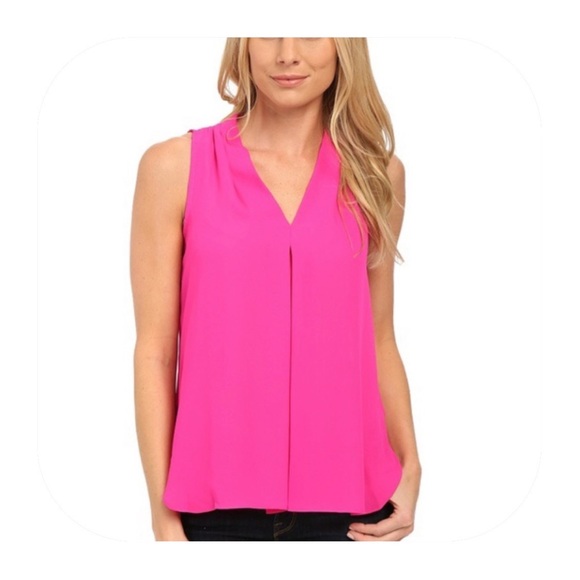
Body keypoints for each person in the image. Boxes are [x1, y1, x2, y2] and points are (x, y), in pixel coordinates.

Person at [130, 37, 421, 541]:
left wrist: (411, 465)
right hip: (212, 510)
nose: (287, 53)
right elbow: (155, 351)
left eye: (310, 32)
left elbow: (379, 337)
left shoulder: (378, 176)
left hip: (354, 512)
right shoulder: (174, 167)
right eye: (268, 30)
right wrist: (162, 517)